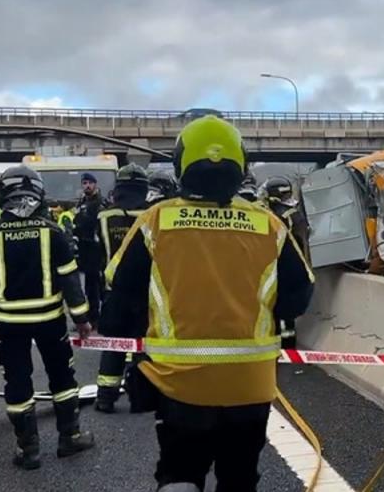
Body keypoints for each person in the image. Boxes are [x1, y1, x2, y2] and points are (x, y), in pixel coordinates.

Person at [105, 116, 314, 491]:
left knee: (180, 473)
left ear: (182, 164)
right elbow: (299, 296)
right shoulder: (268, 225)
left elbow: (119, 296)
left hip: (178, 386)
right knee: (239, 477)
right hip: (250, 385)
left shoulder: (157, 221)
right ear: (241, 165)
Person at [0, 165, 95, 470]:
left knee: (17, 382)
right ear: (38, 194)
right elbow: (71, 283)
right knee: (63, 378)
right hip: (50, 321)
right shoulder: (54, 233)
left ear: (2, 197)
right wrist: (82, 319)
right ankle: (69, 437)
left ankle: (28, 450)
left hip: (7, 325)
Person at [93, 163, 150, 413]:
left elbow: (92, 254)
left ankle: (105, 397)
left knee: (114, 344)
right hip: (147, 294)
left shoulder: (103, 217)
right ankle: (141, 397)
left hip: (113, 291)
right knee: (144, 346)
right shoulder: (153, 215)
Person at [261, 175, 312, 349]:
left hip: (280, 267)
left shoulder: (275, 216)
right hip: (298, 266)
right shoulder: (295, 214)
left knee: (278, 312)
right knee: (287, 317)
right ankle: (289, 348)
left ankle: (283, 347)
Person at [73, 172, 106, 327]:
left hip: (96, 249)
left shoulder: (100, 203)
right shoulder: (81, 202)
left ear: (95, 184)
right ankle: (91, 315)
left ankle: (96, 317)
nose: (87, 186)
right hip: (83, 249)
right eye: (84, 183)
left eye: (89, 183)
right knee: (88, 285)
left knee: (96, 285)